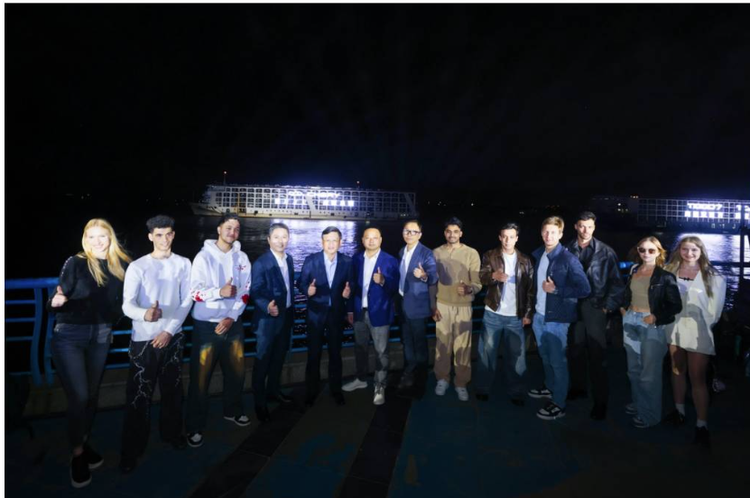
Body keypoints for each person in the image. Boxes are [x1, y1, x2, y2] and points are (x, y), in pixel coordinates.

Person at [48, 218, 131, 488]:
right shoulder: (75, 262)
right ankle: (77, 455)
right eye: (91, 236)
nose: (97, 241)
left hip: (101, 336)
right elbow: (58, 297)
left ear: (110, 238)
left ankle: (82, 443)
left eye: (102, 236)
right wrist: (55, 301)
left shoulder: (121, 266)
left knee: (92, 396)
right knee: (80, 396)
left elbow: (125, 302)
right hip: (69, 335)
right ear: (85, 239)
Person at [119, 215, 193, 472]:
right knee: (139, 395)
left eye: (168, 234)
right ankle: (132, 449)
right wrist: (145, 314)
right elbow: (127, 305)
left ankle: (172, 434)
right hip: (144, 339)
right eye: (159, 235)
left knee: (173, 391)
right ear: (150, 236)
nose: (164, 239)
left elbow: (187, 300)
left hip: (173, 337)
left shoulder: (184, 263)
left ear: (174, 235)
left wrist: (169, 330)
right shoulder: (137, 266)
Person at [186, 213, 252, 447]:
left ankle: (232, 410)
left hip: (233, 325)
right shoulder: (202, 257)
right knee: (200, 378)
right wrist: (218, 292)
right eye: (228, 227)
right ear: (218, 229)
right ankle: (194, 425)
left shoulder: (242, 257)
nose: (232, 232)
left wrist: (231, 316)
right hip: (206, 327)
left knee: (237, 372)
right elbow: (194, 292)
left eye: (236, 229)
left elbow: (245, 290)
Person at [664, 236, 726, 448]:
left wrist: (703, 323)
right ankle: (679, 411)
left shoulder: (714, 276)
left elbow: (715, 310)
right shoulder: (669, 271)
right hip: (674, 327)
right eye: (685, 249)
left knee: (697, 377)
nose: (689, 253)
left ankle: (701, 424)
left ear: (701, 251)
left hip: (699, 330)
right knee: (676, 370)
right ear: (678, 250)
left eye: (693, 250)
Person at [528, 217, 591, 420]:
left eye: (553, 232)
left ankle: (559, 403)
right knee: (545, 356)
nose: (549, 236)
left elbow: (585, 289)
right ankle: (549, 387)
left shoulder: (568, 259)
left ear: (561, 234)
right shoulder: (539, 255)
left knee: (557, 361)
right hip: (539, 315)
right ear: (541, 232)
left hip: (557, 319)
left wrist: (557, 290)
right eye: (546, 231)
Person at [565, 211, 625, 420]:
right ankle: (578, 388)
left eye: (589, 226)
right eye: (582, 226)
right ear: (575, 226)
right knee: (575, 350)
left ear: (594, 227)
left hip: (596, 307)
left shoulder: (606, 252)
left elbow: (617, 283)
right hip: (573, 307)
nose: (585, 230)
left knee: (597, 355)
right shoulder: (566, 249)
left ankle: (600, 402)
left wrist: (607, 307)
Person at [620, 236, 681, 429]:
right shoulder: (634, 270)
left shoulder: (665, 276)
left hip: (651, 324)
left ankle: (650, 415)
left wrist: (656, 316)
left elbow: (675, 305)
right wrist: (623, 308)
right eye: (642, 250)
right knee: (633, 370)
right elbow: (627, 293)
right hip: (630, 320)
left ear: (659, 252)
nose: (646, 253)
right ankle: (639, 403)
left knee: (649, 373)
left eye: (651, 250)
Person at [475, 222, 534, 406]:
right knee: (486, 354)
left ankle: (516, 391)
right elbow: (482, 276)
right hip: (492, 313)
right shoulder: (490, 255)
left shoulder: (526, 260)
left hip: (516, 316)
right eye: (504, 236)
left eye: (511, 236)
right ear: (500, 237)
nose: (508, 240)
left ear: (517, 238)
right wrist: (493, 276)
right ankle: (483, 388)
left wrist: (528, 313)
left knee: (517, 356)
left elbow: (530, 290)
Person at [342, 227, 399, 405]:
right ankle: (361, 379)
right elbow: (351, 286)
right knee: (360, 348)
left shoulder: (390, 260)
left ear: (381, 240)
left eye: (375, 238)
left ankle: (380, 385)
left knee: (381, 352)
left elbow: (395, 288)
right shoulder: (356, 259)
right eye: (368, 237)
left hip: (380, 312)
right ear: (362, 240)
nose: (371, 241)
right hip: (359, 312)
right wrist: (350, 310)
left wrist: (383, 281)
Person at [298, 226, 353, 406]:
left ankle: (336, 390)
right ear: (322, 242)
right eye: (327, 240)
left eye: (334, 240)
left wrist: (347, 294)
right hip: (315, 314)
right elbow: (300, 283)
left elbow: (352, 285)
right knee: (313, 354)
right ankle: (311, 391)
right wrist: (307, 290)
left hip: (336, 314)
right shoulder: (311, 260)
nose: (331, 244)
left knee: (335, 354)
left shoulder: (347, 261)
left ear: (340, 242)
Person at [432, 217, 481, 401]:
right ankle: (442, 379)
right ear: (444, 233)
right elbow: (432, 282)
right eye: (448, 231)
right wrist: (433, 306)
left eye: (455, 231)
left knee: (463, 346)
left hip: (464, 306)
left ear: (461, 233)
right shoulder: (436, 253)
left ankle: (461, 382)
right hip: (442, 305)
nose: (451, 234)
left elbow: (477, 283)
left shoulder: (471, 253)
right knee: (442, 344)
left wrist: (469, 289)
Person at [251, 222, 295, 422]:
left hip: (285, 317)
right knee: (262, 362)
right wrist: (266, 306)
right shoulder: (261, 263)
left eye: (284, 236)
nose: (280, 241)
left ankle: (273, 391)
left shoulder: (289, 259)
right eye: (276, 237)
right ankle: (259, 403)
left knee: (278, 358)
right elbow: (255, 290)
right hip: (267, 321)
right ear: (268, 240)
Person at [397, 220, 438, 397]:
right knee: (407, 341)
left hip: (418, 306)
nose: (409, 234)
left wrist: (424, 275)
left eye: (414, 232)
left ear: (420, 235)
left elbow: (434, 277)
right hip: (402, 304)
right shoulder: (402, 251)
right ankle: (409, 372)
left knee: (419, 344)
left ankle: (421, 379)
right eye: (407, 231)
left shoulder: (426, 253)